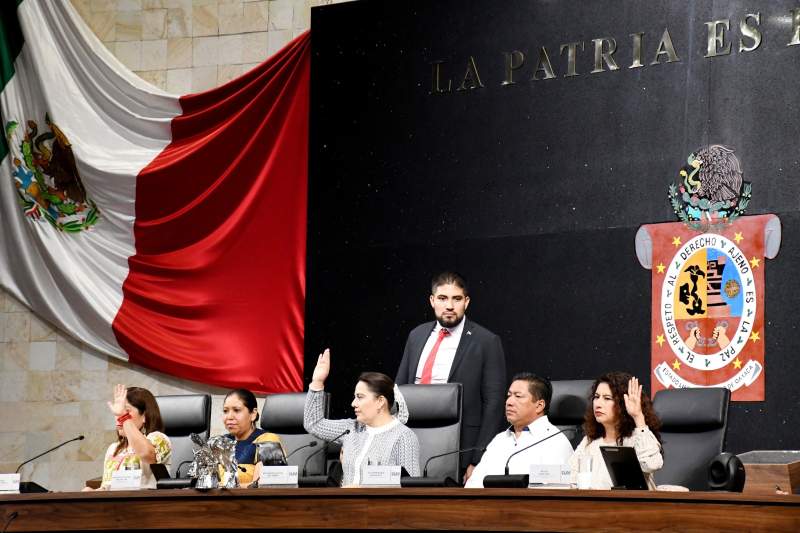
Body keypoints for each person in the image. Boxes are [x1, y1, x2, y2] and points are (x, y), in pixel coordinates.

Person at [396, 271, 506, 482]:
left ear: (466, 302)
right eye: (442, 298)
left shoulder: (486, 341)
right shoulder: (416, 335)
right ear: (432, 301)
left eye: (456, 299)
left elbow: (493, 404)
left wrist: (479, 458)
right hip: (409, 443)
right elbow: (398, 391)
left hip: (459, 450)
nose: (449, 306)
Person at [304, 349, 420, 486]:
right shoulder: (350, 429)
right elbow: (313, 424)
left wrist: (361, 489)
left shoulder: (404, 437)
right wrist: (317, 382)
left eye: (360, 397)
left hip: (381, 506)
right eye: (355, 397)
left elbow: (411, 488)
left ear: (380, 402)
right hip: (345, 504)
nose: (353, 403)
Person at [466, 373, 574, 488]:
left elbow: (555, 494)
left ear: (539, 405)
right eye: (509, 396)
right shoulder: (499, 440)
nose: (509, 402)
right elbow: (473, 486)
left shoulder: (555, 442)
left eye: (518, 396)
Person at [569, 372, 663, 490]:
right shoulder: (589, 441)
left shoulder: (637, 438)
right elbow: (570, 478)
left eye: (607, 398)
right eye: (596, 397)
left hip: (634, 506)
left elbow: (652, 464)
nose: (598, 404)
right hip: (592, 506)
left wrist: (638, 416)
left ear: (623, 404)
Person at [86, 384, 172, 490]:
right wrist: (91, 492)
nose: (118, 417)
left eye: (126, 411)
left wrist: (124, 417)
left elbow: (146, 454)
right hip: (115, 504)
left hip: (146, 503)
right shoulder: (113, 449)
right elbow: (107, 488)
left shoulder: (159, 439)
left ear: (144, 416)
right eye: (117, 412)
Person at [222, 388, 284, 487]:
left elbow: (262, 486)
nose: (229, 416)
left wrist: (222, 487)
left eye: (237, 410)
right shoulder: (220, 443)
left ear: (253, 414)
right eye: (225, 411)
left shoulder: (268, 441)